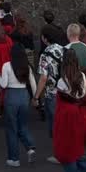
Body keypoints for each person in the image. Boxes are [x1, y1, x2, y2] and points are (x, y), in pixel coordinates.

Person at [0, 43, 36, 168]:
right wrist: (35, 98)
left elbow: (3, 84)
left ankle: (14, 158)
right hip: (24, 95)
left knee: (11, 128)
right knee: (23, 125)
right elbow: (33, 84)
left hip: (11, 96)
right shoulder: (27, 67)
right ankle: (30, 146)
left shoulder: (6, 66)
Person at [34, 24, 64, 153]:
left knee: (54, 124)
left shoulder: (45, 55)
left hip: (51, 92)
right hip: (64, 90)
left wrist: (36, 96)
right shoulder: (64, 49)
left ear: (45, 39)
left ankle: (59, 152)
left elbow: (43, 78)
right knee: (62, 123)